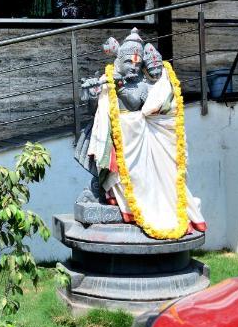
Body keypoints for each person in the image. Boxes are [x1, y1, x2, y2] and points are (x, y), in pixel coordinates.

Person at [76, 29, 206, 236]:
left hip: (136, 140)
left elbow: (135, 103)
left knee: (137, 179)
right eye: (129, 62)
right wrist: (91, 94)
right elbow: (94, 111)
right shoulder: (106, 77)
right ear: (119, 60)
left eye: (137, 64)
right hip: (111, 135)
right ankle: (104, 193)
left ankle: (131, 206)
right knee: (95, 151)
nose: (134, 67)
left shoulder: (144, 85)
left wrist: (119, 86)